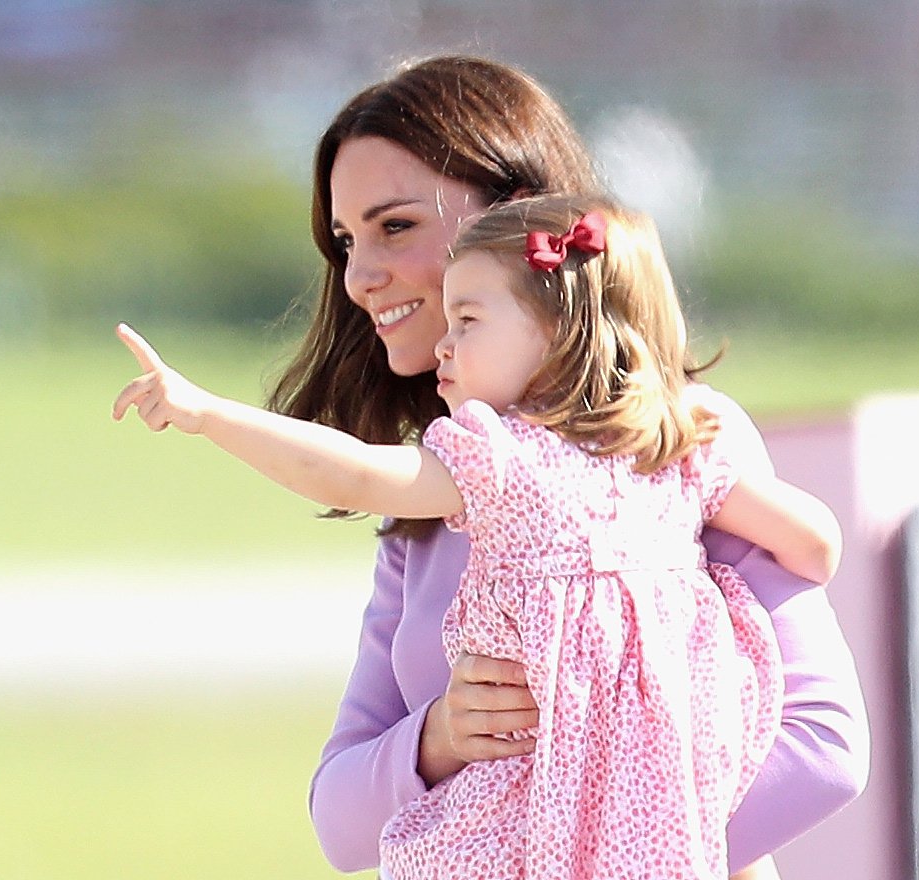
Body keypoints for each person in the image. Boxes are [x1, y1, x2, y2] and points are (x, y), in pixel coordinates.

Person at [113, 193, 842, 879]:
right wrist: (209, 416)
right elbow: (814, 544)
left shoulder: (657, 447)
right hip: (572, 799)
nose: (444, 345)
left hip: (651, 805)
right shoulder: (529, 456)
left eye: (467, 321)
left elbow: (812, 550)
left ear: (558, 334)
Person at [267, 55, 868, 877]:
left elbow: (824, 744)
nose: (359, 276)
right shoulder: (437, 486)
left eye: (395, 225)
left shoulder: (672, 440)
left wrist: (608, 851)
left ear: (526, 226)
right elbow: (338, 822)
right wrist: (436, 739)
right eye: (344, 240)